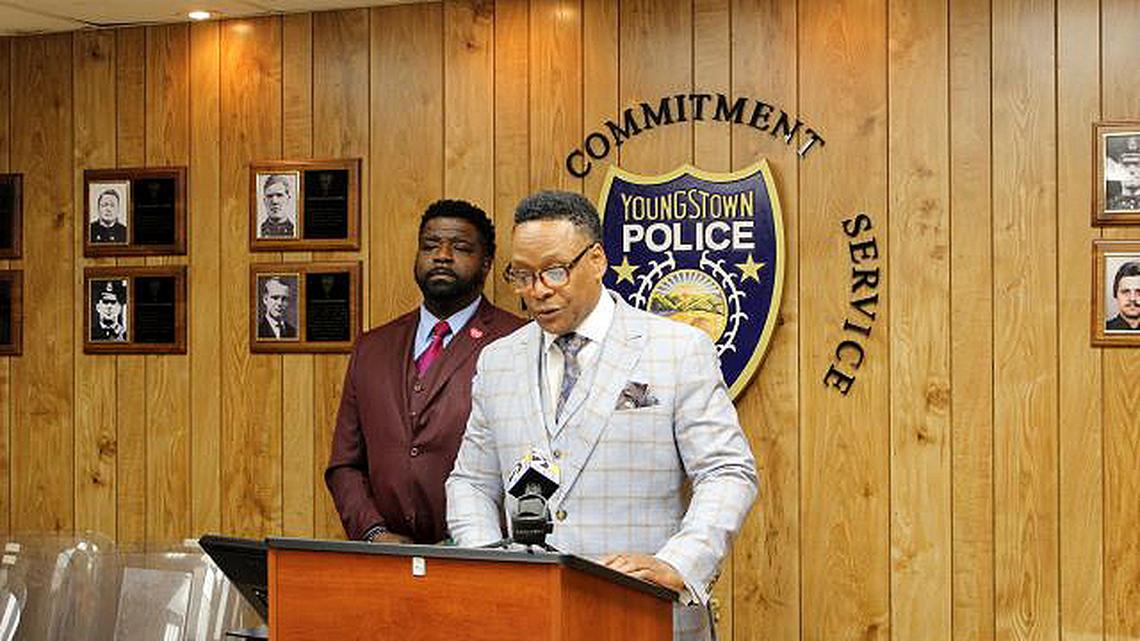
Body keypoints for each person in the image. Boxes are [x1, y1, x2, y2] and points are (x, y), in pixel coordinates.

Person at [446, 191, 757, 641]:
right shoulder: (497, 361)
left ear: (596, 260)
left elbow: (727, 472)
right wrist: (490, 562)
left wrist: (681, 563)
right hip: (527, 620)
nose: (537, 291)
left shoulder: (678, 349)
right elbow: (471, 481)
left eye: (554, 271)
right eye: (522, 275)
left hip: (644, 615)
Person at [326, 199, 524, 544]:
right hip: (386, 563)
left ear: (487, 264)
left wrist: (478, 539)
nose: (443, 255)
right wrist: (375, 534)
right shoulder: (372, 347)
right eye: (430, 245)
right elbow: (345, 464)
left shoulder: (518, 341)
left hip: (483, 559)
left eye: (460, 247)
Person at [1106, 260, 1140, 331]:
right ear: (1115, 294)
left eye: (1139, 292)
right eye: (1126, 292)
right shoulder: (1103, 329)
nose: (1132, 298)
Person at [259, 174, 296, 238]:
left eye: (279, 195)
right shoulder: (259, 231)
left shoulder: (295, 230)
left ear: (288, 199)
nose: (274, 201)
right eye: (269, 196)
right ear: (264, 201)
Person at [1108, 140, 1140, 211]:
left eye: (1138, 165)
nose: (1132, 171)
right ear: (1117, 169)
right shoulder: (1109, 206)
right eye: (1126, 165)